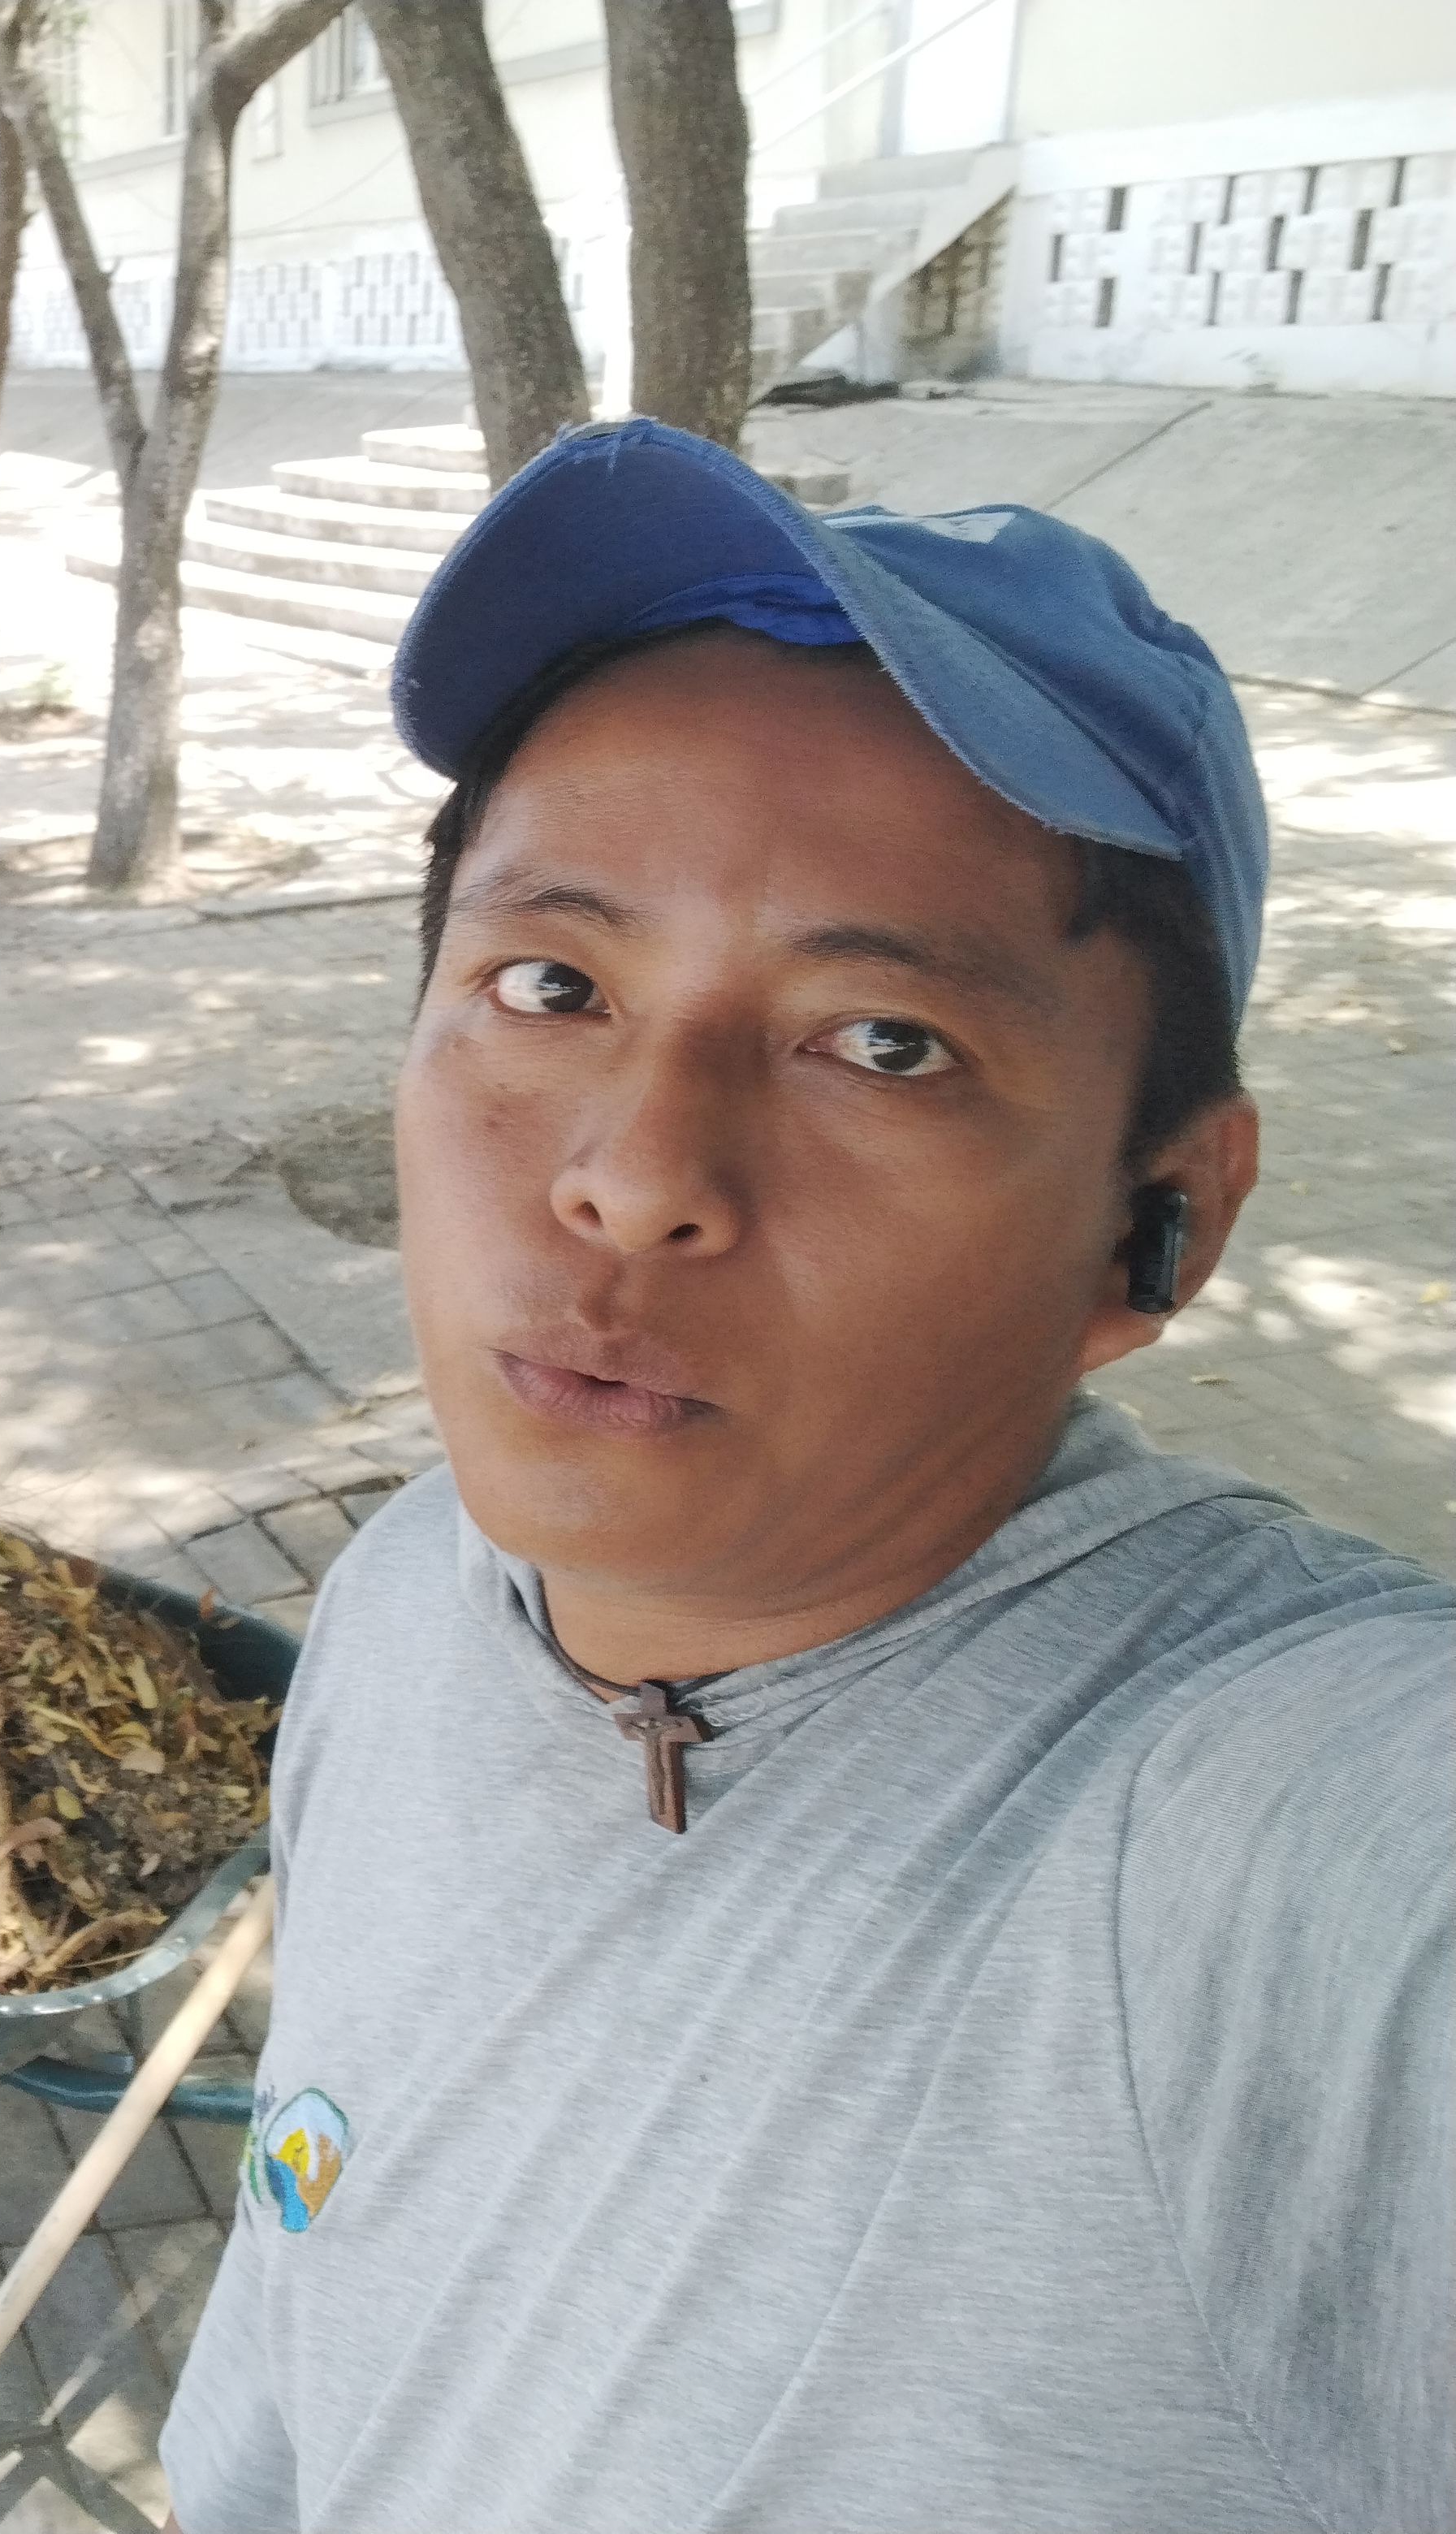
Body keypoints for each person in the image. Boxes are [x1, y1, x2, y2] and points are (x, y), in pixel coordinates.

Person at [157, 421, 1450, 2534]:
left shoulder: (1270, 1858)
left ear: (1161, 1227)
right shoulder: (398, 1601)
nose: (635, 1175)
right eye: (552, 986)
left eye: (881, 1042)